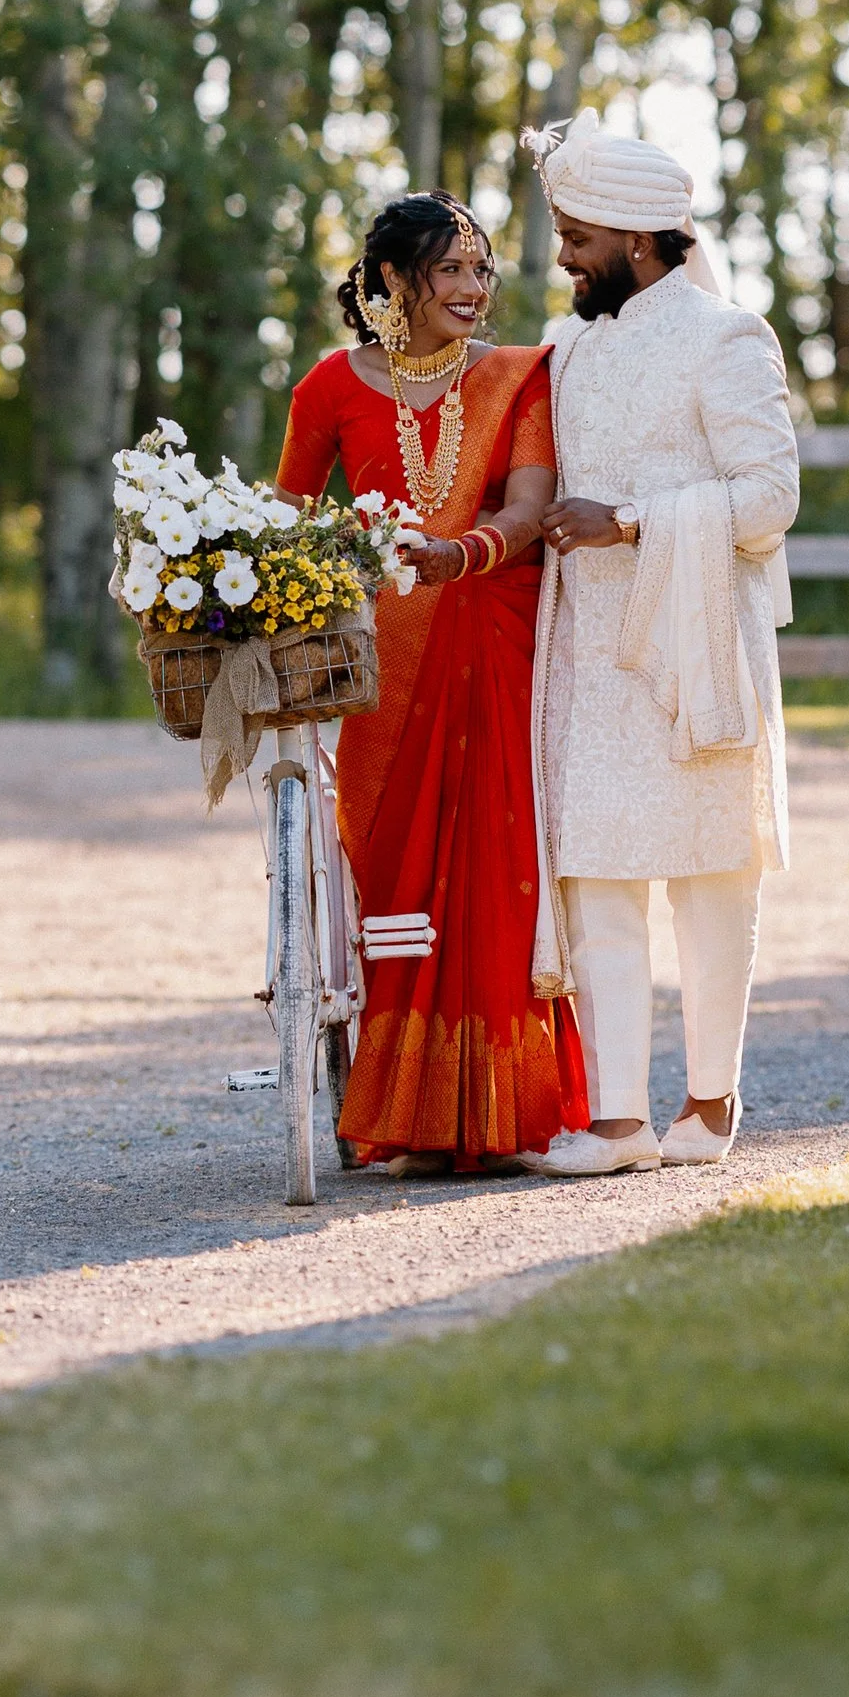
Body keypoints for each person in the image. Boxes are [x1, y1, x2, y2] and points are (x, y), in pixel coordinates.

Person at [274, 191, 590, 1176]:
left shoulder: (515, 376)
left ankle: (505, 1111)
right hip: (381, 669)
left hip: (492, 641)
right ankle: (410, 1114)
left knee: (497, 874)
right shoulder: (329, 385)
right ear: (392, 283)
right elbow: (285, 516)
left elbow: (534, 503)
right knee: (394, 881)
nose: (471, 288)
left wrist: (462, 555)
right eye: (449, 269)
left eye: (480, 269)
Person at [517, 116, 801, 1176]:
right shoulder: (566, 344)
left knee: (713, 874)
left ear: (637, 240)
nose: (562, 256)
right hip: (587, 647)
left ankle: (711, 1108)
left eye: (576, 235)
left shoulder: (728, 337)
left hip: (694, 645)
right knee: (596, 873)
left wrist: (630, 519)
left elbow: (772, 499)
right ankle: (620, 1121)